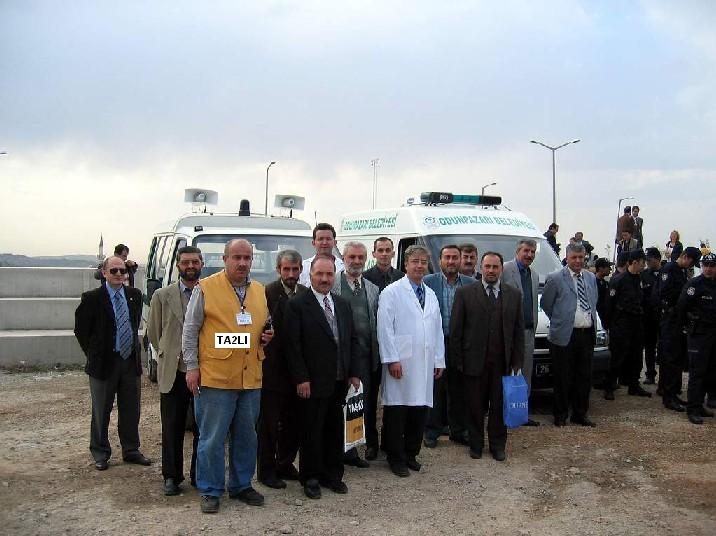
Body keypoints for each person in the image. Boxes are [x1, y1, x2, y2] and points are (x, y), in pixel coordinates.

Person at [182, 239, 274, 514]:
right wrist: (192, 367)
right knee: (212, 438)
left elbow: (262, 325)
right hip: (216, 378)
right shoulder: (205, 288)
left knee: (246, 436)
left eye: (247, 258)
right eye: (237, 257)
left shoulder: (259, 291)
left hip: (250, 377)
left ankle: (241, 485)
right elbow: (190, 330)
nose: (243, 263)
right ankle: (210, 490)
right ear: (225, 259)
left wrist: (267, 336)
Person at [284, 255, 361, 499]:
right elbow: (292, 346)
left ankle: (333, 475)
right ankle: (311, 477)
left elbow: (351, 340)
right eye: (320, 274)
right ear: (310, 275)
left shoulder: (342, 304)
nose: (325, 279)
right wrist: (301, 378)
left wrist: (354, 372)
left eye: (329, 274)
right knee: (312, 431)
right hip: (312, 382)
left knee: (335, 430)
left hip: (339, 380)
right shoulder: (297, 305)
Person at [74, 255, 150, 471]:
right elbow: (81, 330)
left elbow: (134, 325)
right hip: (103, 364)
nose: (118, 274)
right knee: (101, 410)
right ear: (104, 273)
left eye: (122, 271)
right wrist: (93, 354)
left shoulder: (134, 295)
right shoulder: (92, 298)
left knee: (131, 409)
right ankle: (100, 452)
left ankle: (131, 450)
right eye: (114, 270)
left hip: (129, 363)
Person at [377, 245, 445, 477]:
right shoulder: (392, 292)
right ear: (405, 264)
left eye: (423, 262)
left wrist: (439, 360)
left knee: (419, 410)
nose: (419, 266)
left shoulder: (431, 294)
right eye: (415, 261)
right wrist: (391, 359)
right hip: (401, 362)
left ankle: (411, 453)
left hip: (424, 362)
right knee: (398, 412)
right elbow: (384, 329)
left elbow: (437, 329)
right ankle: (395, 458)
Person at [450, 252, 524, 461]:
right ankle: (475, 444)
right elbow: (456, 330)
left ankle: (497, 445)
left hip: (502, 363)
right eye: (487, 266)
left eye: (495, 267)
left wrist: (517, 361)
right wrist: (458, 362)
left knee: (499, 406)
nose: (491, 271)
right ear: (481, 268)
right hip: (473, 362)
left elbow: (518, 332)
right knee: (474, 406)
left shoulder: (514, 295)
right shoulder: (465, 293)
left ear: (501, 269)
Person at [147, 246, 202, 495]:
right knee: (172, 426)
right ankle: (171, 476)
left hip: (202, 370)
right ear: (178, 265)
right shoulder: (162, 296)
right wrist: (170, 353)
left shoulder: (209, 292)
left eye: (195, 262)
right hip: (173, 371)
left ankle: (199, 474)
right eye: (185, 262)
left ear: (201, 264)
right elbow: (154, 333)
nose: (190, 266)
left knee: (203, 427)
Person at [257, 250, 307, 489]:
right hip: (272, 370)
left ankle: (285, 464)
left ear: (301, 270)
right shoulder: (266, 293)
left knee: (293, 422)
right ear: (278, 270)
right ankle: (266, 471)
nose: (291, 274)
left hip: (297, 371)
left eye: (295, 269)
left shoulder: (306, 294)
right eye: (286, 269)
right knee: (269, 425)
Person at [330, 242, 379, 468]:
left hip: (365, 357)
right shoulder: (332, 284)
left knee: (360, 405)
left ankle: (352, 451)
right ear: (344, 258)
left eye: (361, 257)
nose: (356, 261)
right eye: (352, 257)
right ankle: (336, 453)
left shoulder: (372, 288)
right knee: (338, 405)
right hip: (339, 358)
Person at [541, 244, 599, 427]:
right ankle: (560, 414)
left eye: (581, 257)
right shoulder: (556, 278)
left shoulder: (590, 277)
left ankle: (580, 413)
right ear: (567, 258)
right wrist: (561, 320)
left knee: (584, 377)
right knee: (562, 377)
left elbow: (594, 301)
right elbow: (546, 304)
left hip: (586, 334)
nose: (578, 261)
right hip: (564, 335)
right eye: (574, 257)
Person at [655, 246, 701, 412]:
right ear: (685, 256)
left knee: (676, 358)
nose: (691, 266)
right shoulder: (669, 269)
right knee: (670, 358)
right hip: (670, 319)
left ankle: (673, 393)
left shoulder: (681, 271)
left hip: (678, 319)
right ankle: (668, 396)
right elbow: (664, 294)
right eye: (691, 262)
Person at [502, 239, 540, 426]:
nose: (529, 255)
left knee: (525, 373)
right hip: (506, 332)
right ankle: (500, 412)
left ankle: (520, 413)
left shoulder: (534, 275)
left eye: (532, 252)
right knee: (504, 371)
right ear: (518, 251)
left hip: (527, 332)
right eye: (526, 251)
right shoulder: (504, 269)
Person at [604, 250, 651, 400]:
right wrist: (610, 325)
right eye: (642, 262)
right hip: (621, 323)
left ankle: (633, 385)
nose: (644, 265)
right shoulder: (619, 280)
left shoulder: (640, 279)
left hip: (636, 322)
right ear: (634, 262)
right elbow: (609, 304)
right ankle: (610, 386)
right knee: (617, 356)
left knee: (636, 356)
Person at [678, 253, 716, 424]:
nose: (708, 269)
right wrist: (686, 328)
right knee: (697, 372)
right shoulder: (694, 284)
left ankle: (699, 404)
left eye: (712, 266)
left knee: (710, 371)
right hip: (698, 334)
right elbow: (681, 307)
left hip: (713, 334)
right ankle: (692, 408)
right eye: (705, 265)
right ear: (701, 266)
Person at [641, 248, 662, 385]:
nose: (647, 263)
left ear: (658, 259)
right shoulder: (644, 275)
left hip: (663, 316)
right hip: (648, 317)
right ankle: (650, 374)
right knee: (649, 346)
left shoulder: (667, 273)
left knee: (664, 347)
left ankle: (664, 378)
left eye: (650, 260)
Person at [594, 258, 613, 329]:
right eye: (608, 267)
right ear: (600, 268)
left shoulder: (606, 283)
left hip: (605, 317)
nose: (610, 269)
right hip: (597, 316)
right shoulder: (592, 282)